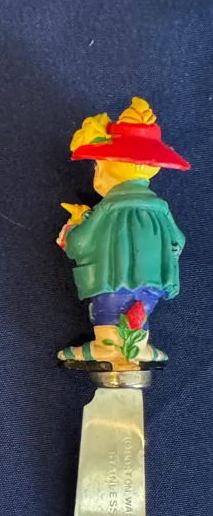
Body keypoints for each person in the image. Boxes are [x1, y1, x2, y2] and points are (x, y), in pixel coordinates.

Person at [58, 97, 189, 367]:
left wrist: (72, 229)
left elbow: (79, 245)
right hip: (153, 281)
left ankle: (105, 347)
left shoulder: (108, 209)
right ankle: (138, 347)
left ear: (109, 168)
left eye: (98, 167)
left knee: (109, 310)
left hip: (112, 280)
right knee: (139, 311)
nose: (96, 174)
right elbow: (178, 241)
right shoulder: (161, 209)